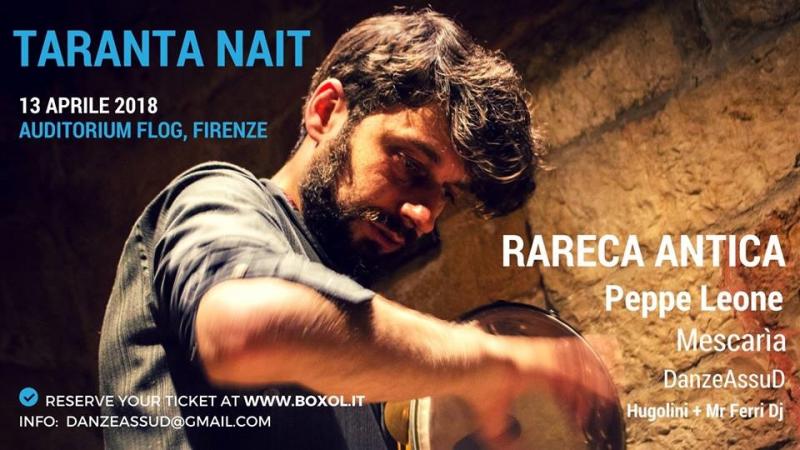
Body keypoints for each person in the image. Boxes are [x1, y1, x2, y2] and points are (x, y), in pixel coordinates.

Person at [99, 9, 611, 450]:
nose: (426, 215)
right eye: (410, 164)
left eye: (447, 194)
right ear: (326, 112)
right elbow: (242, 327)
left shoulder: (358, 345)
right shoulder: (219, 196)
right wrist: (488, 359)